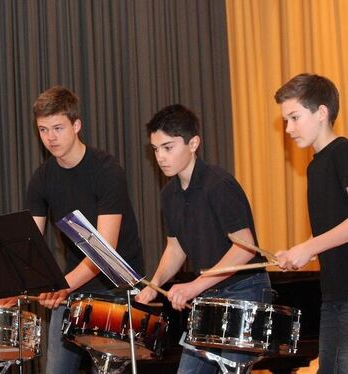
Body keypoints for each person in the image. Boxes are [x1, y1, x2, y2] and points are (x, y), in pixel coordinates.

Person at [135, 104, 271, 373]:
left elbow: (245, 248)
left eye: (168, 147)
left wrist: (195, 285)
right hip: (209, 294)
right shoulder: (169, 194)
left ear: (193, 143)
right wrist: (155, 283)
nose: (160, 156)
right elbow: (175, 248)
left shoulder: (219, 184)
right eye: (155, 149)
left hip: (244, 289)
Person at [23, 86, 145, 373]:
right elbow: (30, 244)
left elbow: (105, 250)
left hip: (117, 288)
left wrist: (61, 287)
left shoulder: (106, 170)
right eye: (43, 130)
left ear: (76, 125)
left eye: (57, 128)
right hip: (74, 286)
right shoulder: (41, 179)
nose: (50, 137)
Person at [273, 73, 347, 373]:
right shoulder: (315, 166)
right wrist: (299, 253)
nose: (288, 129)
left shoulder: (343, 152)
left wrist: (309, 246)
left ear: (321, 113)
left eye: (294, 117)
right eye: (285, 120)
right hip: (333, 295)